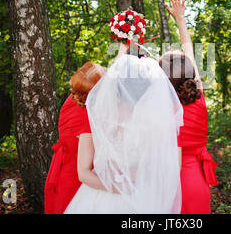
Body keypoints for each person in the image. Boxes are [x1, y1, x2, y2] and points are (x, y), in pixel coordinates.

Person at [64, 43, 183, 214]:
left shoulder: (149, 125)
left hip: (107, 198)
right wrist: (121, 188)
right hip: (127, 195)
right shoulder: (100, 118)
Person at [160, 0, 218, 214]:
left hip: (173, 187)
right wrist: (180, 19)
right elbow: (189, 51)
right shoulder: (199, 98)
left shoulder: (164, 112)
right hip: (199, 183)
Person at [44, 61, 106, 214]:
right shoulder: (86, 121)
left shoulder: (76, 97)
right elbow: (83, 173)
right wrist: (114, 188)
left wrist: (123, 46)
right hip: (76, 183)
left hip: (64, 167)